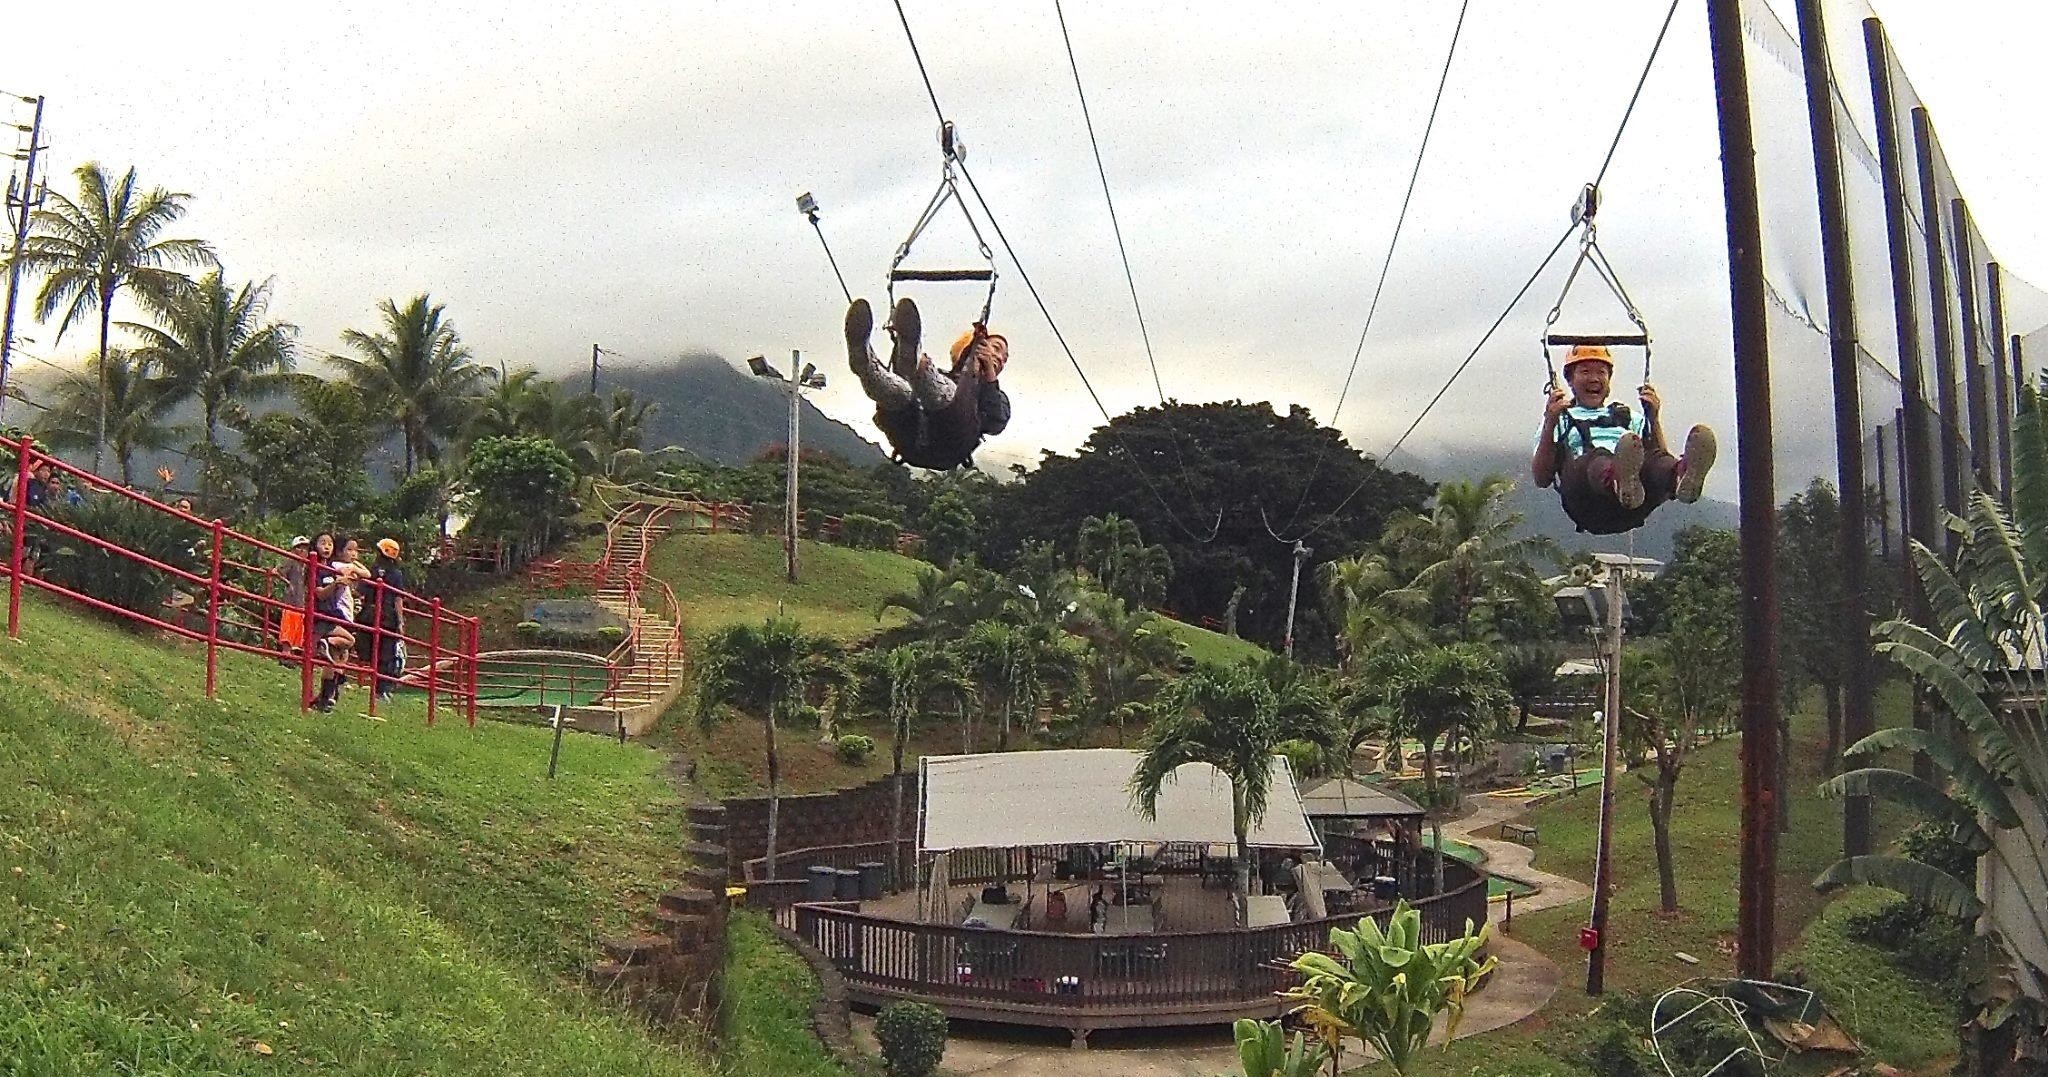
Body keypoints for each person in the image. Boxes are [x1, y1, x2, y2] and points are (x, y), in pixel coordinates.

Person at [1531, 345, 1718, 535]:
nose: (1594, 378)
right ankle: (1615, 478)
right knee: (1599, 456)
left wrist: (1653, 419)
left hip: (1634, 504)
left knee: (1649, 455)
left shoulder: (1628, 417)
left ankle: (1678, 476)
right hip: (1587, 501)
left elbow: (1656, 455)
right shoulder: (1560, 418)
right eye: (1585, 371)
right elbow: (1541, 478)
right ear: (1570, 380)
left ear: (1609, 380)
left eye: (1601, 372)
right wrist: (1550, 422)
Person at [843, 296, 1009, 471]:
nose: (1000, 358)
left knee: (947, 396)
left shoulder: (995, 396)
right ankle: (866, 365)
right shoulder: (944, 376)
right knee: (901, 393)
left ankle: (910, 363)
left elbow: (995, 423)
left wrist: (989, 376)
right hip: (908, 431)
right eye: (996, 348)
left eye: (1005, 358)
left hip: (951, 440)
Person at [306, 532, 355, 712]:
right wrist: (335, 584)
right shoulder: (314, 567)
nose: (327, 547)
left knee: (336, 657)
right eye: (322, 543)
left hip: (332, 614)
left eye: (330, 544)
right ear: (315, 546)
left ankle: (325, 697)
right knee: (349, 641)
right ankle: (326, 642)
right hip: (321, 615)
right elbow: (319, 593)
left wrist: (343, 582)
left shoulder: (331, 569)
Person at [368, 538, 409, 700]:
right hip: (388, 617)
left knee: (373, 651)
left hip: (370, 614)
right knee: (386, 653)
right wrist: (400, 621)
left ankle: (377, 686)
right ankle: (381, 688)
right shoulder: (396, 574)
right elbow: (398, 599)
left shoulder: (373, 570)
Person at [278, 535, 312, 660]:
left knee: (298, 626)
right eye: (300, 548)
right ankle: (285, 653)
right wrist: (288, 584)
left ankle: (292, 653)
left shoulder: (306, 566)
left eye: (305, 549)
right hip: (291, 599)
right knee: (288, 624)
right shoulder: (291, 561)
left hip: (300, 599)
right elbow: (278, 571)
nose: (303, 551)